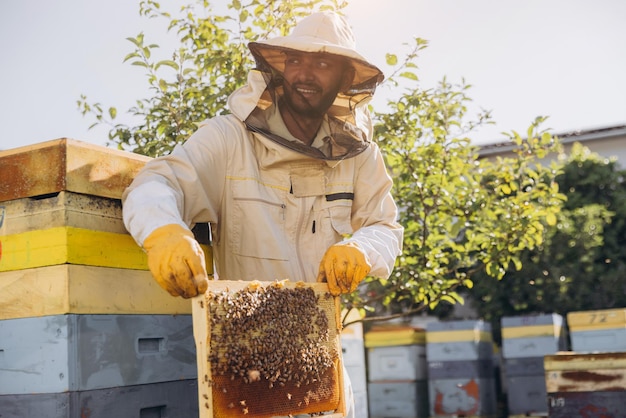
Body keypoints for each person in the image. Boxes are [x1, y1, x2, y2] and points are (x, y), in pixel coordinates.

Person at [122, 10, 403, 417]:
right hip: (243, 375)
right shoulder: (228, 139)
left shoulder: (360, 158)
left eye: (322, 63)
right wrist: (163, 231)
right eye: (295, 60)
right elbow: (158, 182)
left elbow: (385, 226)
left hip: (321, 372)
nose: (304, 73)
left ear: (345, 80)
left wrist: (362, 249)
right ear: (278, 67)